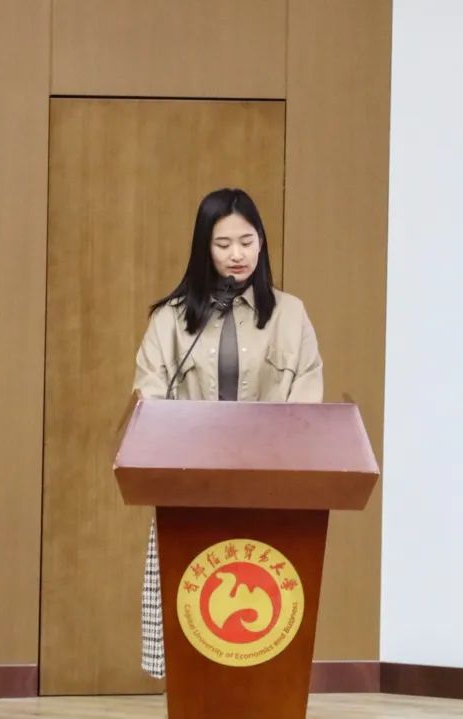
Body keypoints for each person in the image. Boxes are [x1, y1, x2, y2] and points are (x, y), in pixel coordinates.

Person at [132, 187, 324, 679]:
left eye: (247, 241)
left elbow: (307, 405)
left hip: (271, 491)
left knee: (266, 628)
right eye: (223, 244)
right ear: (204, 248)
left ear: (261, 243)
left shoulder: (291, 314)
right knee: (194, 620)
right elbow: (148, 403)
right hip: (190, 493)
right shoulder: (170, 319)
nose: (237, 254)